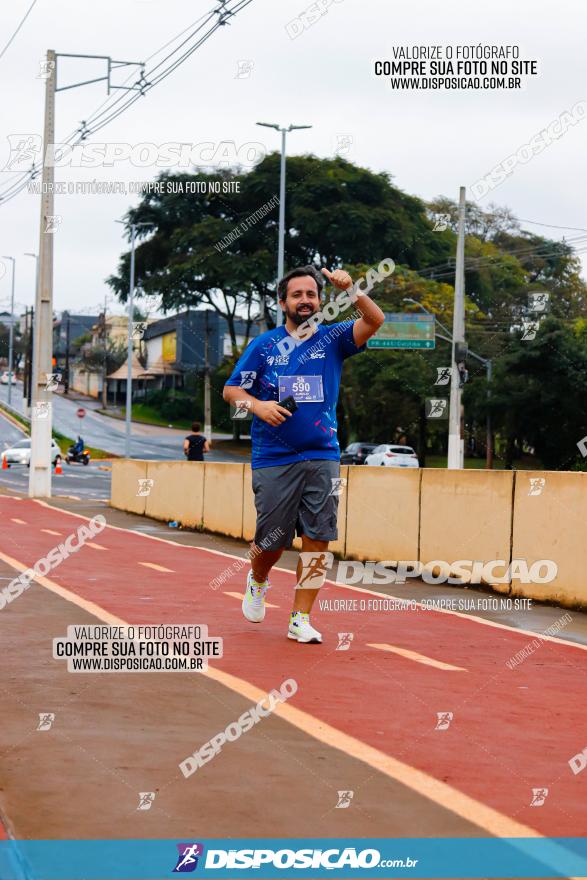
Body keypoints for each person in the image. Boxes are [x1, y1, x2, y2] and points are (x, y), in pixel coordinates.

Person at [223, 264, 384, 644]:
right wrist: (258, 407)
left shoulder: (334, 338)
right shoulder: (264, 347)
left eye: (311, 294)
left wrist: (353, 289)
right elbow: (232, 393)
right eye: (297, 295)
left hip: (324, 454)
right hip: (275, 457)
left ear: (319, 300)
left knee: (318, 538)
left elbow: (374, 320)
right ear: (283, 303)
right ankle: (258, 577)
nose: (305, 300)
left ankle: (300, 617)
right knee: (272, 543)